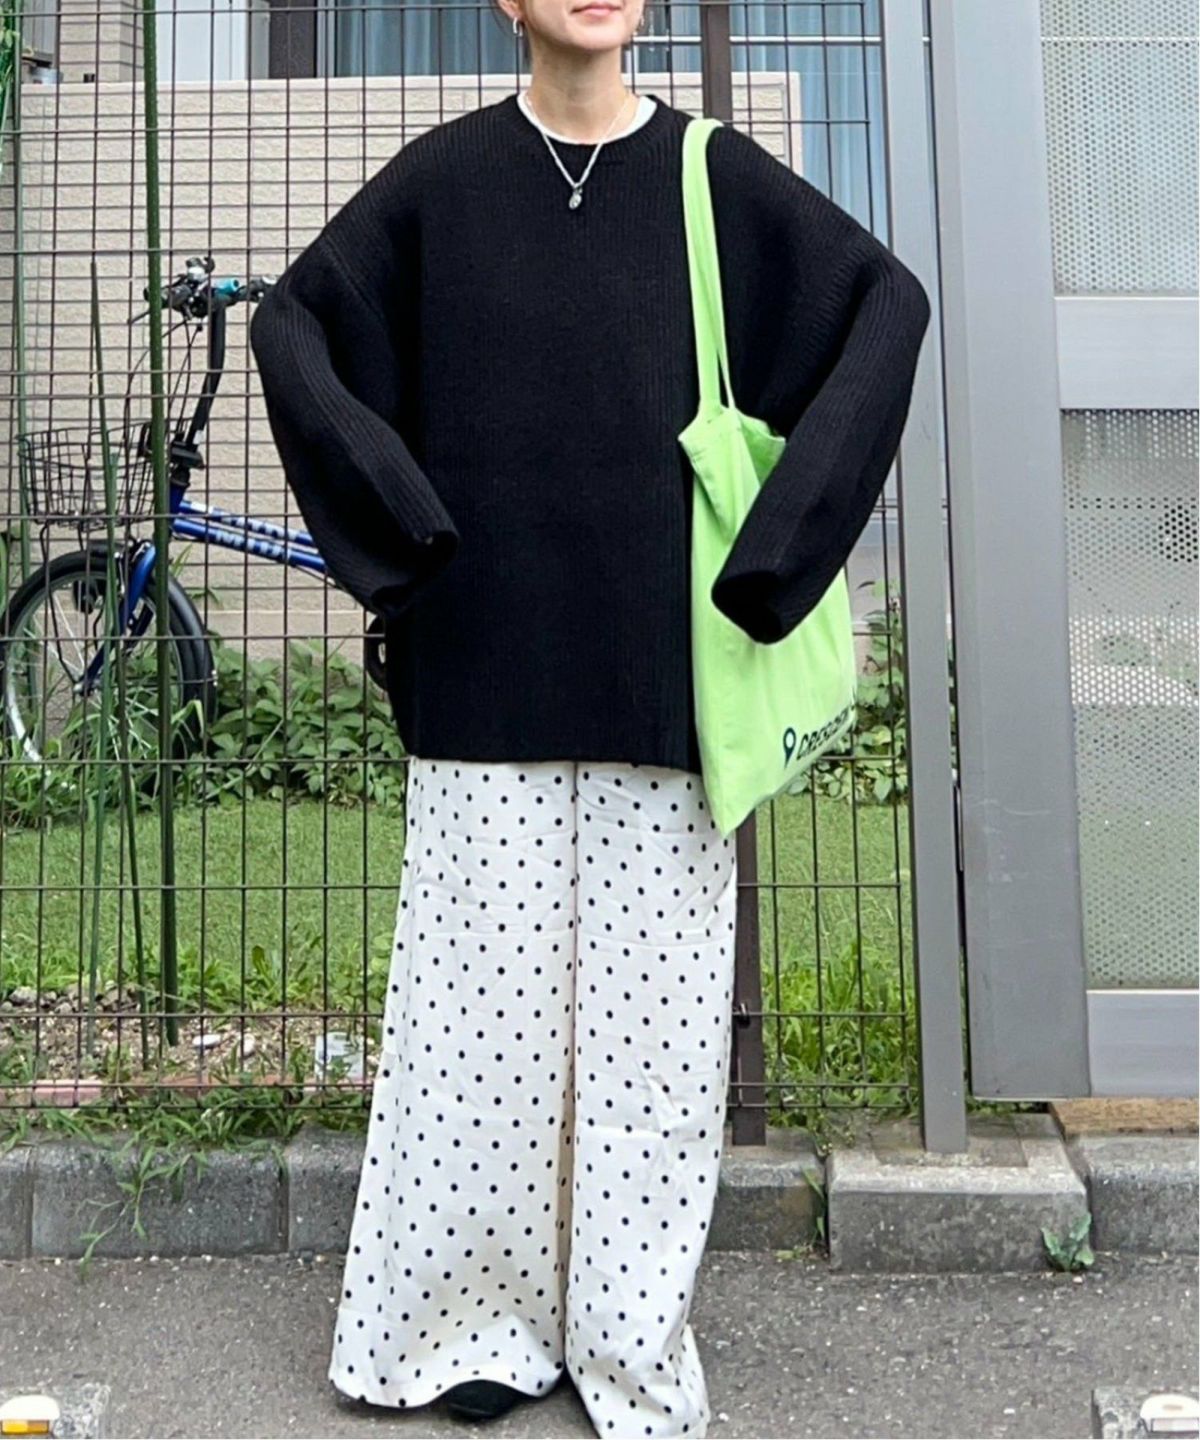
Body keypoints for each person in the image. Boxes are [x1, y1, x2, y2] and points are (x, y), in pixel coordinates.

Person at [248, 0, 931, 1432]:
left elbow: (887, 307)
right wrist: (404, 531)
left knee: (655, 1056)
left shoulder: (711, 176)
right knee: (476, 1043)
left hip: (664, 688)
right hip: (480, 681)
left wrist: (780, 559)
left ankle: (628, 1343)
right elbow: (295, 326)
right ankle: (464, 1334)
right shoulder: (442, 183)